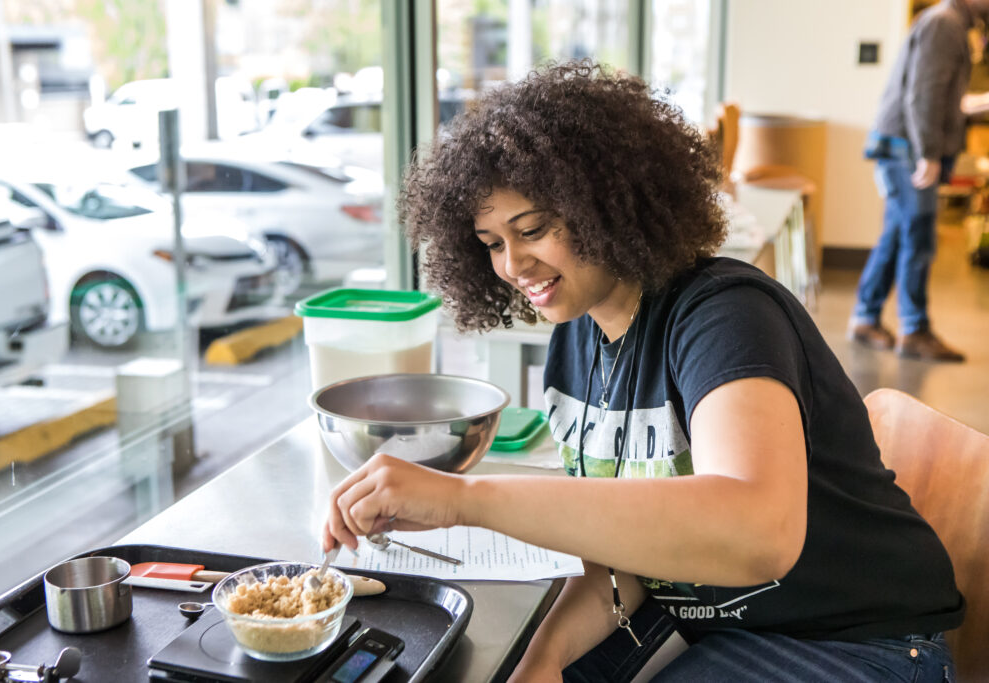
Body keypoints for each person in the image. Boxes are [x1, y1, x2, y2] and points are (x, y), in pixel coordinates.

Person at [323, 61, 964, 681]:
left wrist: (466, 500)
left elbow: (758, 531)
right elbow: (624, 555)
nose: (514, 265)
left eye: (534, 229)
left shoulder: (725, 316)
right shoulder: (579, 331)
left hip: (854, 641)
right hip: (715, 623)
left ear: (607, 203)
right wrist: (545, 659)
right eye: (492, 244)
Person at [849, 0, 989, 362]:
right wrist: (927, 153)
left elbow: (942, 97)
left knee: (897, 233)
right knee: (919, 233)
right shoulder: (945, 24)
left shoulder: (949, 22)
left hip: (902, 144)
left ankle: (865, 318)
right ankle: (914, 330)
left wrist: (978, 103)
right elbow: (922, 96)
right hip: (906, 147)